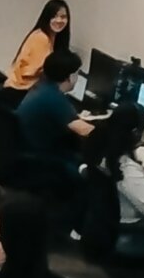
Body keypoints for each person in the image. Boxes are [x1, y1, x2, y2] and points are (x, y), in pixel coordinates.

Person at [90, 105, 144, 261]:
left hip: (102, 226)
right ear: (135, 133)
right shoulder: (126, 167)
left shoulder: (104, 149)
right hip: (127, 230)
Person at [14, 48, 97, 198]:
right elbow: (87, 132)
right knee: (88, 169)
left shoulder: (40, 87)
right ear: (70, 77)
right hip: (39, 158)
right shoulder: (55, 99)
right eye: (78, 73)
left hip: (23, 152)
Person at [4, 0, 72, 92]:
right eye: (54, 16)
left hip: (30, 89)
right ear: (47, 17)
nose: (59, 20)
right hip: (20, 89)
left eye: (63, 17)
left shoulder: (54, 38)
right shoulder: (41, 38)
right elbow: (30, 71)